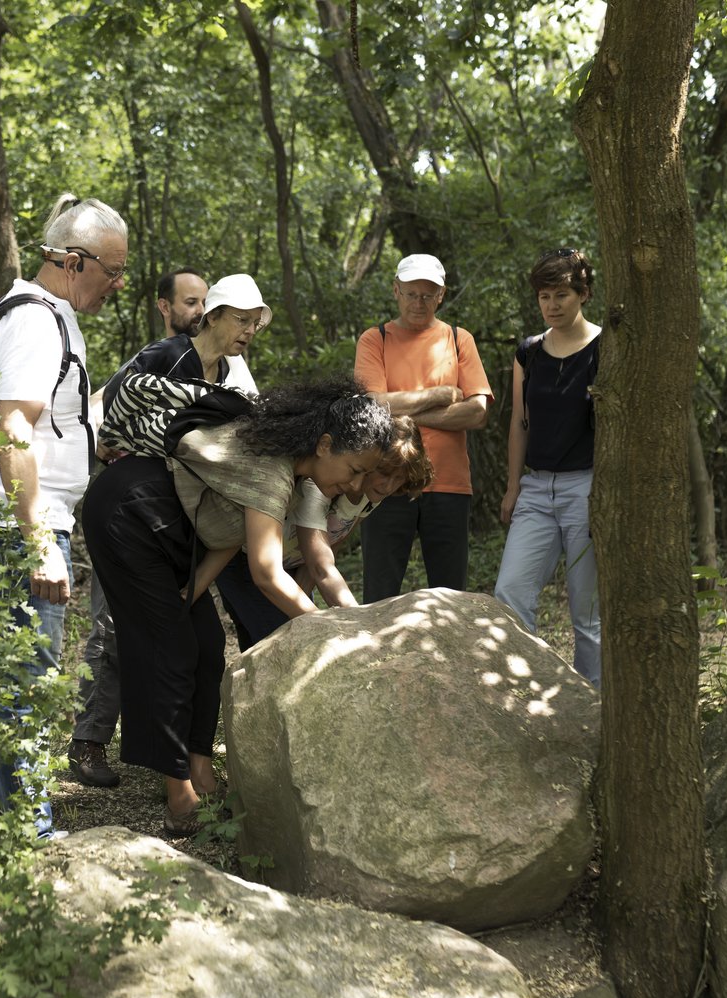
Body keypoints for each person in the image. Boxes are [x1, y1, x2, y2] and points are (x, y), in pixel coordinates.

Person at [83, 377, 393, 836]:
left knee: (207, 642)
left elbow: (229, 535)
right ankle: (179, 795)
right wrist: (332, 628)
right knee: (171, 649)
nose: (356, 483)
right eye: (355, 468)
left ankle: (201, 772)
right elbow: (268, 574)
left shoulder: (287, 470)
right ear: (325, 444)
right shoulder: (273, 470)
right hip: (129, 514)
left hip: (168, 532)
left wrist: (191, 594)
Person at [68, 272, 262, 788]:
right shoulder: (164, 355)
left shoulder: (233, 374)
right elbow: (116, 405)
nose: (248, 331)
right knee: (116, 631)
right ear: (213, 316)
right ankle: (91, 742)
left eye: (255, 323)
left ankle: (182, 764)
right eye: (240, 320)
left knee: (191, 641)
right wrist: (107, 442)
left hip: (181, 518)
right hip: (130, 511)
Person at [0, 192, 127, 836]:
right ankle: (29, 838)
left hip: (18, 526)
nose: (118, 285)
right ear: (71, 259)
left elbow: (44, 423)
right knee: (28, 688)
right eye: (111, 271)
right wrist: (40, 540)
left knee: (9, 684)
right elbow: (13, 428)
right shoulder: (39, 321)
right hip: (24, 532)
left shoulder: (43, 317)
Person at [216, 421, 435, 648]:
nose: (389, 485)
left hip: (290, 565)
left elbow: (331, 544)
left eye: (399, 477)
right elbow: (321, 567)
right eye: (384, 472)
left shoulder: (372, 494)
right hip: (245, 560)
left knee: (286, 636)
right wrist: (360, 624)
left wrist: (305, 607)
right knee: (274, 639)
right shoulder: (321, 486)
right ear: (370, 460)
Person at [355, 253, 493, 601]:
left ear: (441, 295)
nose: (419, 302)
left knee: (450, 598)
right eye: (411, 293)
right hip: (386, 481)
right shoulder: (376, 339)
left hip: (448, 483)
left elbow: (477, 413)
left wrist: (402, 410)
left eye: (427, 295)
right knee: (379, 594)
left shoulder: (460, 339)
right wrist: (440, 395)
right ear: (396, 290)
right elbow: (372, 405)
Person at [494, 248, 602, 686]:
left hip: (587, 488)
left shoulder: (605, 348)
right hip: (536, 490)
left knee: (587, 614)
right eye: (544, 296)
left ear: (584, 294)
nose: (552, 305)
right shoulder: (529, 353)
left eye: (562, 294)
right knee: (509, 594)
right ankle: (526, 691)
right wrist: (512, 487)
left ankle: (591, 707)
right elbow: (520, 424)